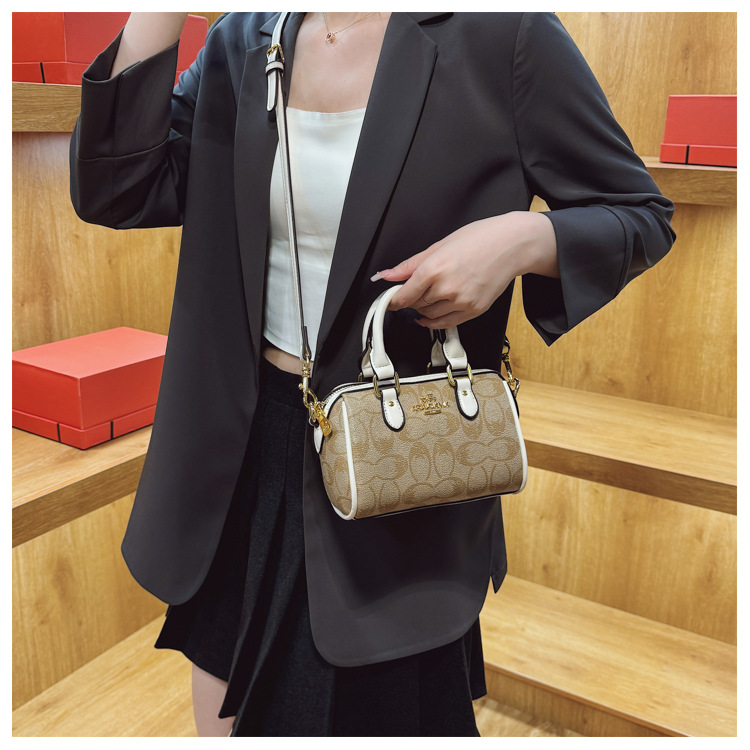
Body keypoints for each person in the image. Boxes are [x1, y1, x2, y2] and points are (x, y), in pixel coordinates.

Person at [69, 11, 675, 737]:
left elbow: (640, 215)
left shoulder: (502, 32)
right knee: (227, 692)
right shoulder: (245, 35)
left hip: (394, 452)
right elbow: (119, 188)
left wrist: (521, 237)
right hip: (240, 449)